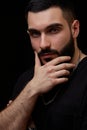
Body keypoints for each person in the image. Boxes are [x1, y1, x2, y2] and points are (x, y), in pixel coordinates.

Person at [0, 0, 87, 129]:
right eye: (35, 33)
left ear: (74, 29)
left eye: (53, 30)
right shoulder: (27, 80)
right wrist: (33, 89)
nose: (43, 44)